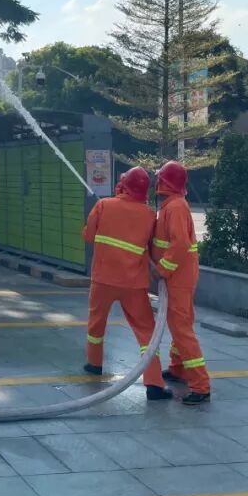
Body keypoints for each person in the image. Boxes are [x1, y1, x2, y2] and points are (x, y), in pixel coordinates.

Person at [81, 166, 172, 401]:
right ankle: (154, 383)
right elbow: (152, 247)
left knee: (96, 323)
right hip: (134, 284)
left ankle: (94, 363)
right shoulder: (149, 214)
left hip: (103, 280)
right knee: (146, 332)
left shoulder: (103, 205)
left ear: (123, 185)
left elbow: (88, 236)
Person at [151, 160, 211, 406]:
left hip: (178, 276)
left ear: (164, 182)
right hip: (181, 275)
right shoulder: (173, 205)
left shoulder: (175, 207)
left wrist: (163, 269)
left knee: (182, 329)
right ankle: (178, 369)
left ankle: (200, 385)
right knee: (179, 324)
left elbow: (180, 243)